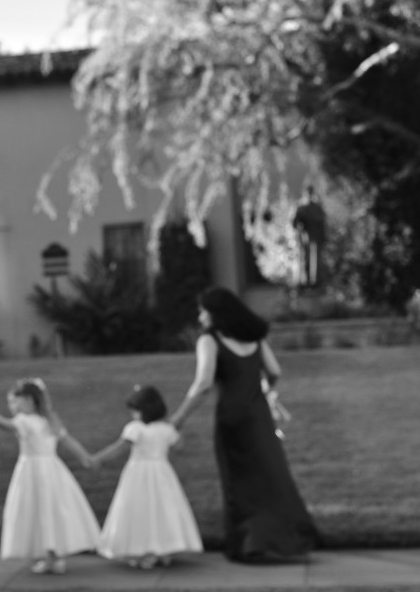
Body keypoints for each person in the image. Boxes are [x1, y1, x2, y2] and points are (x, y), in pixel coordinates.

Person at [169, 286, 319, 563]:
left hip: (232, 416)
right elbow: (274, 371)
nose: (200, 317)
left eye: (203, 311)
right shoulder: (254, 338)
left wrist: (178, 418)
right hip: (258, 414)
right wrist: (264, 388)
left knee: (238, 479)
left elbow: (203, 384)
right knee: (270, 474)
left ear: (216, 313)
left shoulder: (209, 340)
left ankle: (246, 543)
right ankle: (287, 538)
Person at [0, 377, 99, 575]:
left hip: (33, 472)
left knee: (41, 511)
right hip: (52, 470)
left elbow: (4, 425)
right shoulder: (49, 419)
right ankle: (53, 555)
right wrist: (86, 457)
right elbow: (67, 440)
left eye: (14, 401)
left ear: (29, 400)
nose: (11, 406)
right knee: (51, 510)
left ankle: (51, 556)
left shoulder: (24, 421)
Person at [92, 385, 202, 569]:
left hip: (138, 474)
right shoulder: (166, 429)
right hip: (162, 473)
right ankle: (163, 549)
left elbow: (119, 447)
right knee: (163, 509)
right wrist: (177, 428)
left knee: (140, 509)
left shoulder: (135, 428)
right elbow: (179, 447)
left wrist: (98, 459)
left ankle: (145, 550)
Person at [292, 185, 326, 288]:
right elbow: (295, 223)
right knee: (305, 260)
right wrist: (300, 222)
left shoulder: (317, 208)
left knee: (315, 260)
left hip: (315, 238)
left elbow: (322, 222)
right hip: (305, 238)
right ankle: (306, 282)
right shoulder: (301, 208)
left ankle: (314, 282)